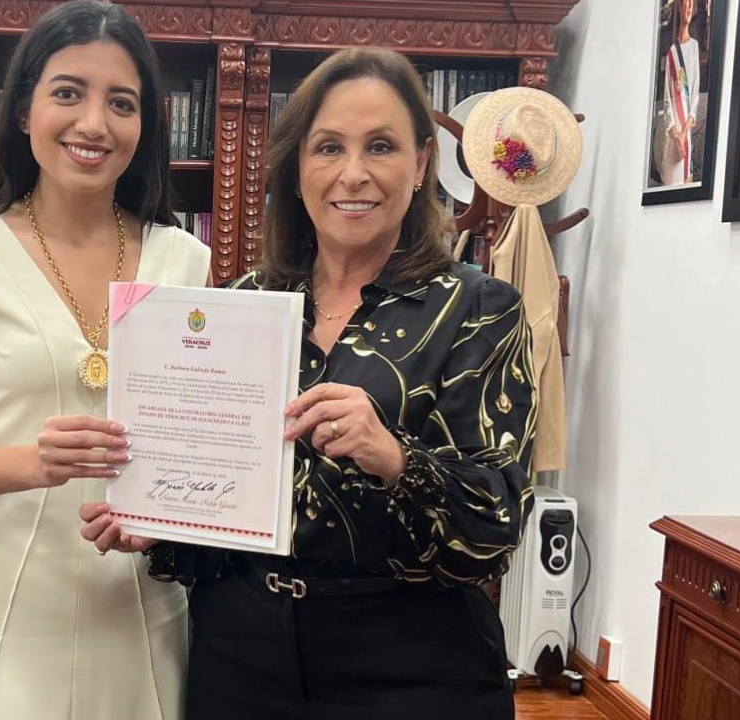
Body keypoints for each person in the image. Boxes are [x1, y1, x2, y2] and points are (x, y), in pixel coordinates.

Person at [81, 46, 537, 719]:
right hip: (240, 657)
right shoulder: (242, 305)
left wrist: (396, 458)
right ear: (297, 168)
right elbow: (229, 504)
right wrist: (158, 521)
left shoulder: (479, 309)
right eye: (328, 148)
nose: (353, 174)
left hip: (414, 663)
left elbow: (496, 524)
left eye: (380, 146)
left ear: (419, 165)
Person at [0, 2, 211, 719]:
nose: (94, 123)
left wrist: (170, 513)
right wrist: (34, 463)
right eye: (68, 92)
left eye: (121, 103)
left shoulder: (185, 263)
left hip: (132, 602)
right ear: (23, 109)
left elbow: (191, 449)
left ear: (145, 125)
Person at [657, 0, 701, 185]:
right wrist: (675, 133)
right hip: (673, 131)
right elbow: (668, 95)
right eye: (685, 4)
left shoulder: (694, 47)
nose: (689, 8)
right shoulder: (671, 53)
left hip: (686, 132)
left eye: (691, 5)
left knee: (686, 180)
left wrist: (684, 132)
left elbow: (695, 91)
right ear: (679, 8)